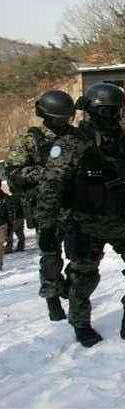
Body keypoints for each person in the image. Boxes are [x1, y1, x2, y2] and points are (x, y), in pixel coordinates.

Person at [37, 83, 125, 347]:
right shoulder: (71, 143)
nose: (115, 117)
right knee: (84, 278)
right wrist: (47, 231)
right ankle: (81, 325)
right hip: (85, 223)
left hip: (124, 220)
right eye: (110, 111)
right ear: (94, 111)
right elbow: (51, 189)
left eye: (119, 111)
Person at [6, 90, 78, 320]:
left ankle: (71, 289)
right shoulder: (31, 140)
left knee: (81, 254)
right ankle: (52, 300)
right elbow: (13, 173)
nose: (63, 122)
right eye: (59, 118)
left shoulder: (76, 137)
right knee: (50, 257)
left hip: (76, 207)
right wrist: (46, 173)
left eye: (66, 118)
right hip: (46, 209)